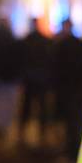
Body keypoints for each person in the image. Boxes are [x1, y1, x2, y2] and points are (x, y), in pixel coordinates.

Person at [51, 19, 82, 158]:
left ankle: (72, 147)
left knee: (70, 119)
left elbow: (55, 67)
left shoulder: (61, 45)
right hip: (79, 87)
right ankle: (75, 147)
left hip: (67, 88)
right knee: (77, 118)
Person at [19, 17, 53, 148]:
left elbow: (21, 60)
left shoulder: (26, 41)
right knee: (42, 107)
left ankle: (22, 134)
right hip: (41, 79)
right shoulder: (45, 41)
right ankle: (42, 135)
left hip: (29, 79)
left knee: (27, 107)